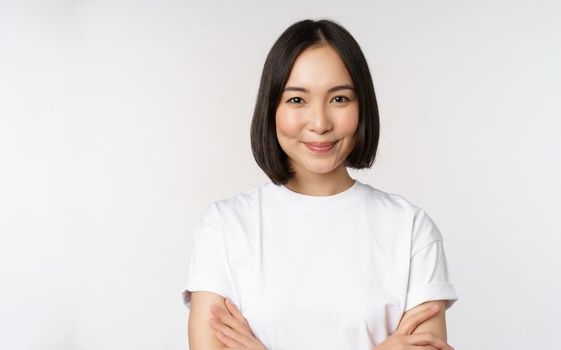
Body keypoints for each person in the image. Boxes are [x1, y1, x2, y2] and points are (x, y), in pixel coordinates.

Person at [181, 18, 458, 350]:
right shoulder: (224, 228)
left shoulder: (411, 230)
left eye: (339, 99)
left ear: (362, 106)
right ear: (271, 108)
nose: (320, 123)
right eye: (297, 100)